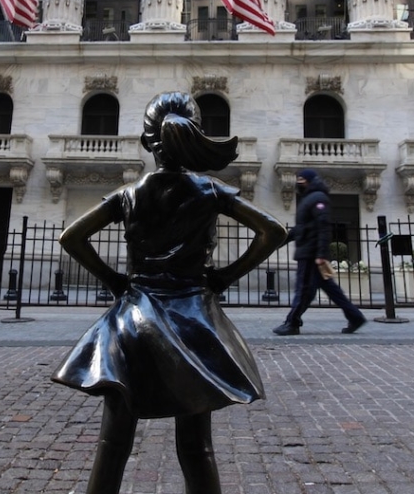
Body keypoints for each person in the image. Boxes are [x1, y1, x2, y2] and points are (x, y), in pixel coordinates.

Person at [52, 92, 287, 494]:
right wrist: (224, 277)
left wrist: (114, 281)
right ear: (194, 134)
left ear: (147, 142)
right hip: (193, 322)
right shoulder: (209, 190)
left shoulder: (130, 193)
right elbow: (274, 232)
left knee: (113, 444)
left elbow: (71, 237)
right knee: (197, 448)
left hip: (132, 320)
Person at [273, 168, 367, 336]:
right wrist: (281, 241)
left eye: (301, 179)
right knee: (330, 289)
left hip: (311, 254)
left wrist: (321, 254)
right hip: (308, 252)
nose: (298, 183)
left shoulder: (318, 199)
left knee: (303, 289)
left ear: (309, 181)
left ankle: (292, 322)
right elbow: (302, 228)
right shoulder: (309, 199)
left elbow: (323, 227)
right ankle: (355, 317)